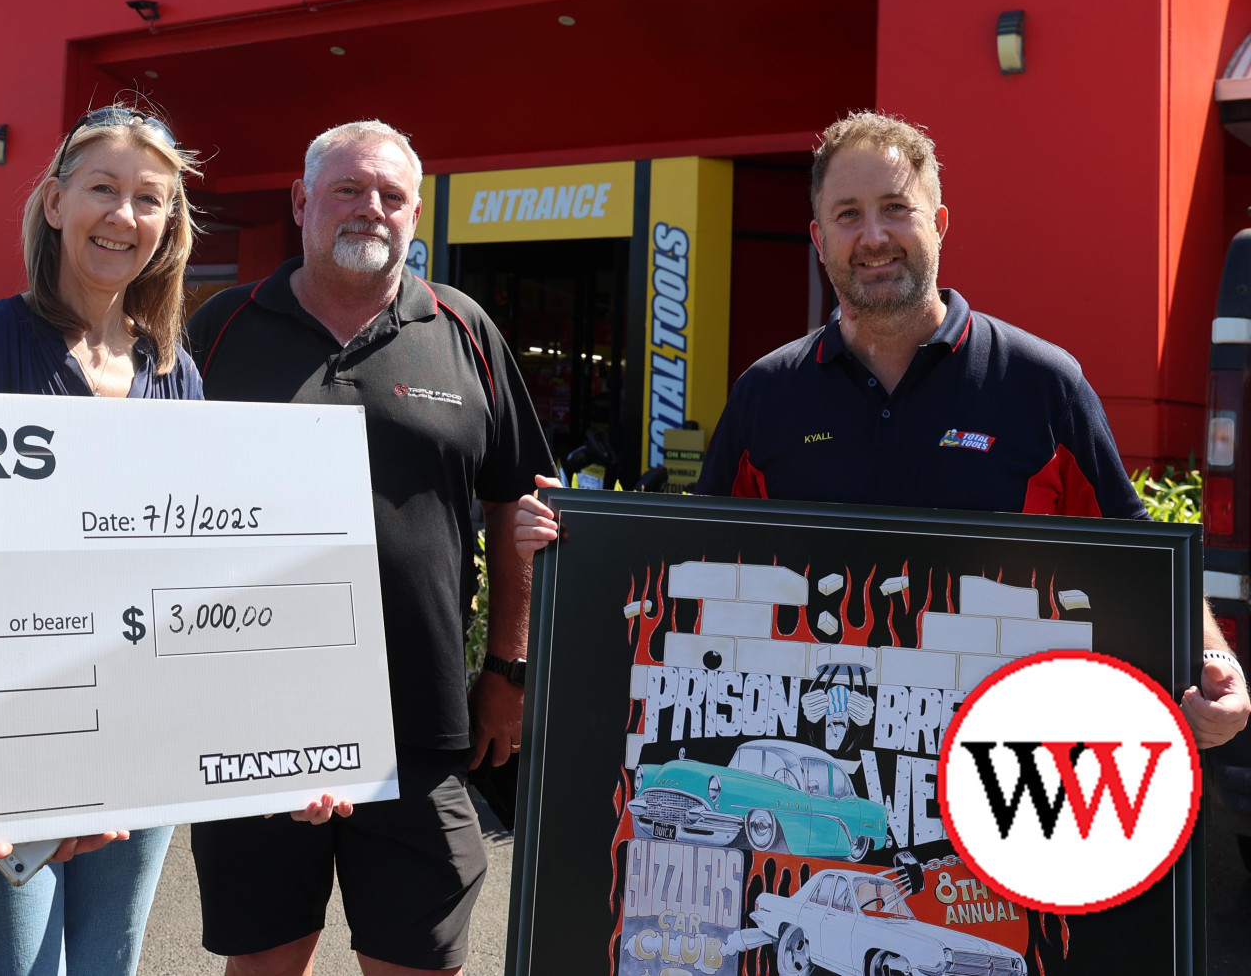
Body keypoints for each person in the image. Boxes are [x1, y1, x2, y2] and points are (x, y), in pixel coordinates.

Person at [511, 110, 1251, 751]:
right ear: (818, 237)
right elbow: (699, 573)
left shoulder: (1042, 383)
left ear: (940, 221)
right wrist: (568, 539)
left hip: (1004, 775)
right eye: (848, 213)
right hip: (817, 762)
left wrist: (1214, 658)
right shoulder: (768, 394)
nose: (874, 236)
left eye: (896, 207)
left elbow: (1139, 553)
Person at [184, 120, 555, 976]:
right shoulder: (220, 329)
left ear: (416, 212)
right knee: (264, 965)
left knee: (424, 964)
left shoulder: (464, 330)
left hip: (423, 735)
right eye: (349, 189)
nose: (371, 210)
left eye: (391, 195)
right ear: (302, 201)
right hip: (254, 730)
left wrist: (507, 671)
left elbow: (514, 507)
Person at [0, 103, 202, 976]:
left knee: (105, 968)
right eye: (104, 189)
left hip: (134, 727)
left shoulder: (175, 369)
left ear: (168, 225)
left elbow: (193, 561)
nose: (124, 216)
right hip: (1, 729)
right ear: (53, 203)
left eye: (149, 200)